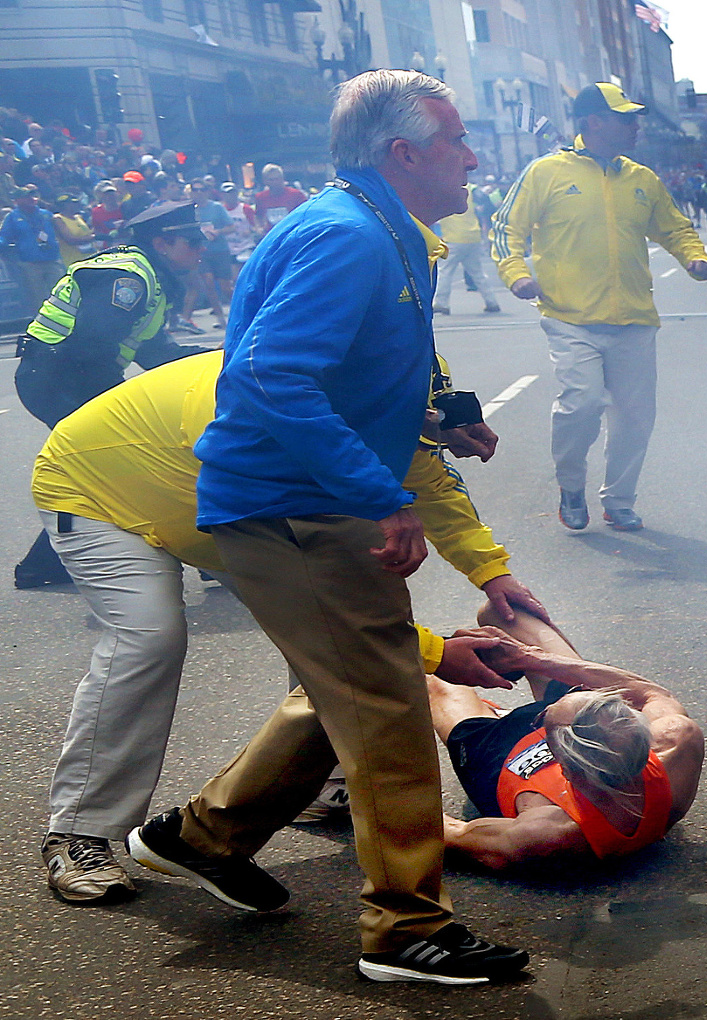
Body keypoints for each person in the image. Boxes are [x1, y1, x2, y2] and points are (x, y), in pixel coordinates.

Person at [125, 69, 529, 986]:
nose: (474, 156)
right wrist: (381, 497)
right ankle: (405, 929)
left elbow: (374, 364)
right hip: (295, 508)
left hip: (304, 500)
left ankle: (202, 838)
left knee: (342, 686)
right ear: (403, 153)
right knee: (386, 708)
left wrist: (443, 417)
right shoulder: (346, 236)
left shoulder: (390, 232)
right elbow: (272, 377)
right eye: (457, 141)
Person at [33, 349, 547, 905]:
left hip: (207, 501)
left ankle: (320, 785)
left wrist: (493, 574)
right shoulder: (272, 421)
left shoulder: (379, 379)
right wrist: (431, 652)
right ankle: (81, 832)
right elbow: (329, 599)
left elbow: (430, 483)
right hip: (96, 490)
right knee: (149, 638)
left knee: (326, 639)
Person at [490, 83, 707, 533]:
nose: (635, 126)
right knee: (581, 404)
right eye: (625, 118)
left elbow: (674, 227)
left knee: (635, 417)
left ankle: (619, 500)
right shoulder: (545, 172)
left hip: (634, 319)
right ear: (594, 121)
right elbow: (505, 228)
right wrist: (515, 274)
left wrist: (695, 257)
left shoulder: (642, 178)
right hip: (570, 316)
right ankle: (571, 487)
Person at [13, 201, 208, 589]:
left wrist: (222, 355)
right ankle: (204, 550)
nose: (202, 249)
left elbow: (157, 353)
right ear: (163, 243)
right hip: (57, 377)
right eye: (194, 241)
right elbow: (90, 347)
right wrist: (126, 403)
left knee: (95, 470)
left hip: (64, 375)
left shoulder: (148, 276)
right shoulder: (130, 278)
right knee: (123, 460)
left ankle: (44, 566)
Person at [430, 605, 704, 869]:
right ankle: (561, 687)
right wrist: (528, 657)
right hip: (576, 727)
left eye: (545, 718)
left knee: (423, 672)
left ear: (567, 771)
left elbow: (449, 833)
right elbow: (650, 692)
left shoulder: (547, 833)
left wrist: (432, 653)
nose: (543, 710)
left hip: (500, 757)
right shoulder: (677, 741)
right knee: (501, 610)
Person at [433, 182, 500, 315]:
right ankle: (491, 301)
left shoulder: (440, 188)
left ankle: (441, 303)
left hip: (454, 237)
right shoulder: (471, 188)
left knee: (445, 271)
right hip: (473, 235)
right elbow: (484, 205)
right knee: (477, 272)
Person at [0, 184, 65, 313]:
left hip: (51, 259)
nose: (31, 199)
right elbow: (4, 238)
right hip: (30, 263)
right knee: (37, 296)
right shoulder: (12, 218)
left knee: (60, 292)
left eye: (32, 196)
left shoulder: (46, 214)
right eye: (26, 197)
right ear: (17, 200)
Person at [182, 178, 230, 328]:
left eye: (202, 189)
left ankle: (240, 310)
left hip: (220, 250)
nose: (199, 193)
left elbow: (231, 226)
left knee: (225, 287)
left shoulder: (217, 208)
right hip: (201, 252)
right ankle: (220, 318)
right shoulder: (189, 210)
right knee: (208, 283)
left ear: (207, 191)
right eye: (195, 190)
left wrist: (218, 231)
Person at [253, 162, 306, 235]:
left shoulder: (296, 195)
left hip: (293, 234)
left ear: (282, 179)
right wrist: (259, 228)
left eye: (277, 179)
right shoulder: (260, 197)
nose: (275, 182)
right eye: (271, 180)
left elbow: (306, 214)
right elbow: (258, 215)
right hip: (271, 235)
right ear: (265, 181)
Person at [51, 193, 95, 267]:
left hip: (89, 257)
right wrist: (93, 237)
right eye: (74, 203)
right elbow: (70, 240)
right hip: (73, 260)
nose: (77, 205)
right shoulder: (58, 219)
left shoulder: (78, 217)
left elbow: (87, 233)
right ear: (64, 205)